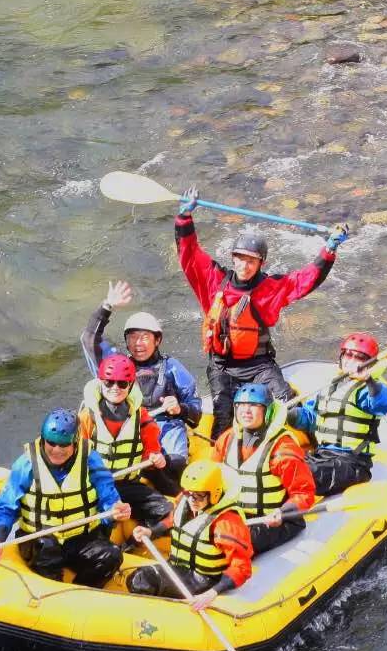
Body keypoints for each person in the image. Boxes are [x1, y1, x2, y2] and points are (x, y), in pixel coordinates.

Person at [173, 192, 348, 438]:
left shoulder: (269, 289)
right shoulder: (213, 282)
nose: (244, 266)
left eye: (251, 261)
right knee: (222, 417)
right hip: (222, 367)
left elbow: (304, 280)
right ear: (233, 258)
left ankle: (318, 437)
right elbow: (189, 254)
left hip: (259, 366)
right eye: (240, 259)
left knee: (288, 403)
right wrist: (184, 217)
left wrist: (329, 249)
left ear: (261, 263)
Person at [0, 409, 129, 586]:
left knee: (112, 555)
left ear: (75, 442)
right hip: (40, 540)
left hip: (81, 538)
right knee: (48, 548)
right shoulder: (26, 464)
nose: (56, 450)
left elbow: (107, 491)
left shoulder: (90, 459)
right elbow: (7, 506)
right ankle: (51, 591)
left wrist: (115, 508)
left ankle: (79, 592)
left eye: (64, 445)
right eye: (51, 443)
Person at [84, 281, 200, 472]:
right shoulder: (116, 364)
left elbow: (196, 412)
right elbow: (89, 338)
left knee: (175, 461)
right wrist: (107, 306)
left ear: (158, 340)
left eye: (145, 337)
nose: (138, 343)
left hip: (165, 425)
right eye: (132, 337)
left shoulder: (172, 368)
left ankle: (169, 472)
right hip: (128, 427)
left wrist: (180, 409)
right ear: (126, 341)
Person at [287, 331, 387, 495]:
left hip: (351, 463)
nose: (351, 360)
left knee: (300, 473)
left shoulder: (367, 389)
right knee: (282, 463)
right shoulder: (330, 386)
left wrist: (368, 380)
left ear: (369, 363)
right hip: (322, 455)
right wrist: (291, 414)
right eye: (348, 355)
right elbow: (311, 419)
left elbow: (386, 403)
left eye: (359, 357)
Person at [129, 459, 253, 606]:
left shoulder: (226, 523)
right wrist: (151, 531)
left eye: (199, 495)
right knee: (135, 578)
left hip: (203, 580)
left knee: (142, 579)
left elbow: (242, 567)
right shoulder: (187, 501)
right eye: (189, 493)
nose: (192, 500)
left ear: (214, 493)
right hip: (179, 568)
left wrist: (213, 592)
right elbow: (173, 521)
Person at [214, 383, 315, 554]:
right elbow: (210, 475)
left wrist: (282, 512)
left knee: (231, 543)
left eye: (254, 405)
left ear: (267, 411)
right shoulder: (227, 438)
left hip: (276, 520)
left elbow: (304, 493)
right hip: (237, 515)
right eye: (241, 405)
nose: (246, 411)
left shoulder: (283, 449)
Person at [79, 354, 174, 526]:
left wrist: (155, 458)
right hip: (96, 487)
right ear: (101, 382)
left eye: (122, 383)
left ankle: (141, 534)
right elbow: (76, 458)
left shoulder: (140, 415)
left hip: (128, 484)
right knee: (102, 523)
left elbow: (151, 450)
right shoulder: (87, 417)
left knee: (165, 510)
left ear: (130, 386)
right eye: (109, 382)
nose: (115, 388)